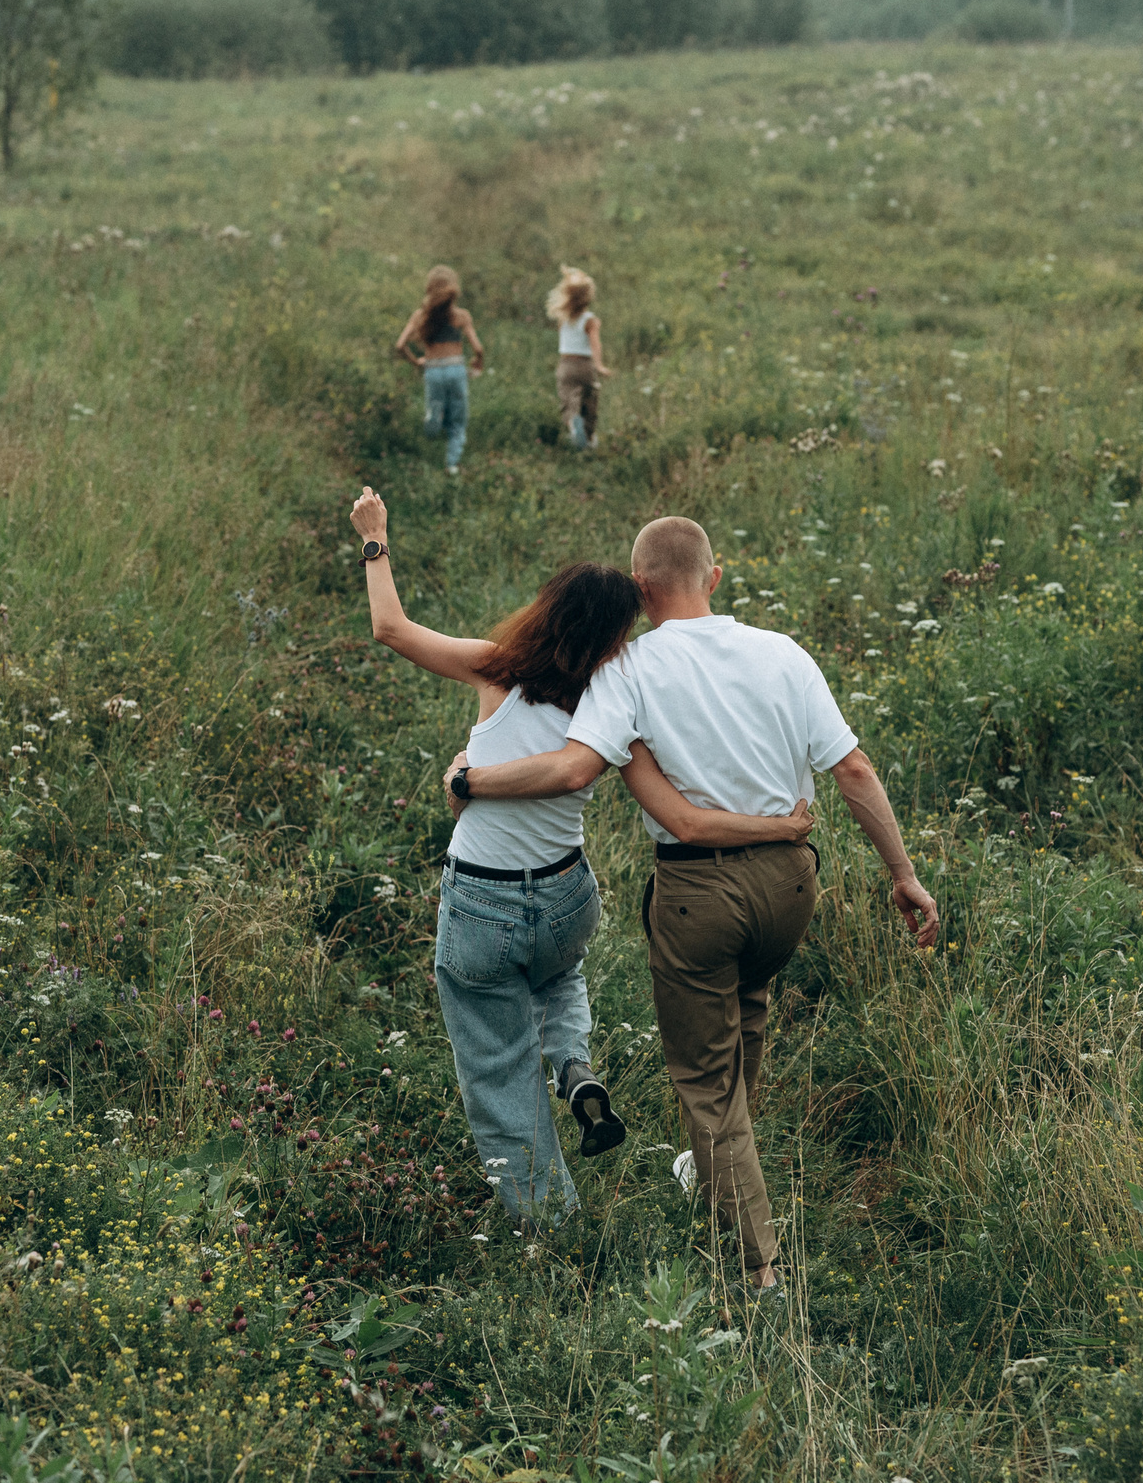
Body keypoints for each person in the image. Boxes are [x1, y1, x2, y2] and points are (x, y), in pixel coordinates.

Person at [452, 516, 938, 1287]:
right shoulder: (784, 653)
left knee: (705, 1085)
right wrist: (903, 874)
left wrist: (470, 779)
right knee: (748, 1012)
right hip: (792, 885)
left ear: (639, 591)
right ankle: (715, 1176)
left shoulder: (630, 668)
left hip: (698, 891)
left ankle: (757, 1272)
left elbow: (577, 767)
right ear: (714, 577)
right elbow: (853, 771)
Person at [347, 488, 812, 1226]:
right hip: (567, 896)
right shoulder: (613, 699)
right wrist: (779, 830)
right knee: (558, 969)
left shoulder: (499, 669)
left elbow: (390, 628)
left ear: (547, 608)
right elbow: (683, 818)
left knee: (498, 1069)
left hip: (482, 899)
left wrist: (376, 539)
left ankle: (555, 1225)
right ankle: (572, 1064)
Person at [393, 265, 485, 475]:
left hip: (433, 370)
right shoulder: (461, 316)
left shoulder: (419, 317)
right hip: (456, 369)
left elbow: (400, 345)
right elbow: (478, 348)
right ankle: (451, 464)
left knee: (434, 409)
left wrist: (416, 362)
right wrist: (478, 361)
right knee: (458, 420)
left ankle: (431, 436)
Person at [546, 265, 608, 451]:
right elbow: (595, 344)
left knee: (569, 401)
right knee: (590, 401)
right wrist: (599, 365)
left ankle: (574, 425)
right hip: (585, 365)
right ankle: (590, 438)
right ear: (589, 297)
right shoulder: (591, 320)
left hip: (566, 365)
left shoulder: (563, 319)